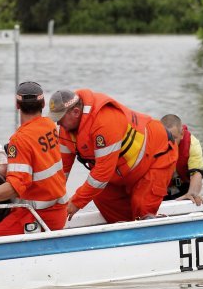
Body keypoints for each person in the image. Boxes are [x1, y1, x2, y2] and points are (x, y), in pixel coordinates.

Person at [0, 81, 68, 237]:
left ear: (17, 105)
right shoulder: (50, 126)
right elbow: (36, 164)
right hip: (58, 210)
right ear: (42, 104)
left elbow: (16, 187)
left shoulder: (20, 139)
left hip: (38, 216)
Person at [48, 88, 177, 223]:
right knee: (100, 197)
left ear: (75, 112)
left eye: (60, 119)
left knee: (142, 206)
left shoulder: (104, 122)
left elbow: (102, 173)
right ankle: (125, 234)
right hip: (122, 171)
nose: (58, 124)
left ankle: (145, 229)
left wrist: (75, 203)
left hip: (157, 154)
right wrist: (51, 205)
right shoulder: (66, 129)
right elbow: (61, 171)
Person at [160, 114, 203, 206]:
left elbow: (196, 173)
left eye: (173, 138)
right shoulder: (152, 142)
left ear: (181, 134)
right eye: (165, 138)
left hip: (184, 189)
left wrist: (192, 193)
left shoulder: (192, 144)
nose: (169, 143)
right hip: (160, 189)